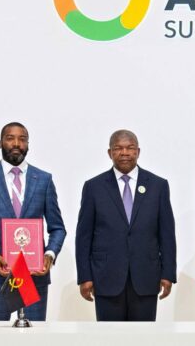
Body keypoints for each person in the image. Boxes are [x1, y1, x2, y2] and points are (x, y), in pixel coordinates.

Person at [0, 122, 66, 321]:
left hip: (34, 275)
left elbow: (58, 228)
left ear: (28, 145)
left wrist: (49, 255)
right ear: (0, 143)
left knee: (34, 338)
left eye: (22, 139)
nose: (16, 143)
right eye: (10, 138)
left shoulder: (43, 180)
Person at [75, 129, 177, 321]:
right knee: (109, 338)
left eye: (130, 148)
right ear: (109, 153)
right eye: (118, 148)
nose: (124, 153)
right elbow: (83, 236)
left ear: (138, 151)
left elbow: (167, 234)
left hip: (146, 277)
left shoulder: (158, 186)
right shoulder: (94, 187)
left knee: (143, 338)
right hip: (106, 278)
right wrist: (85, 276)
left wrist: (168, 273)